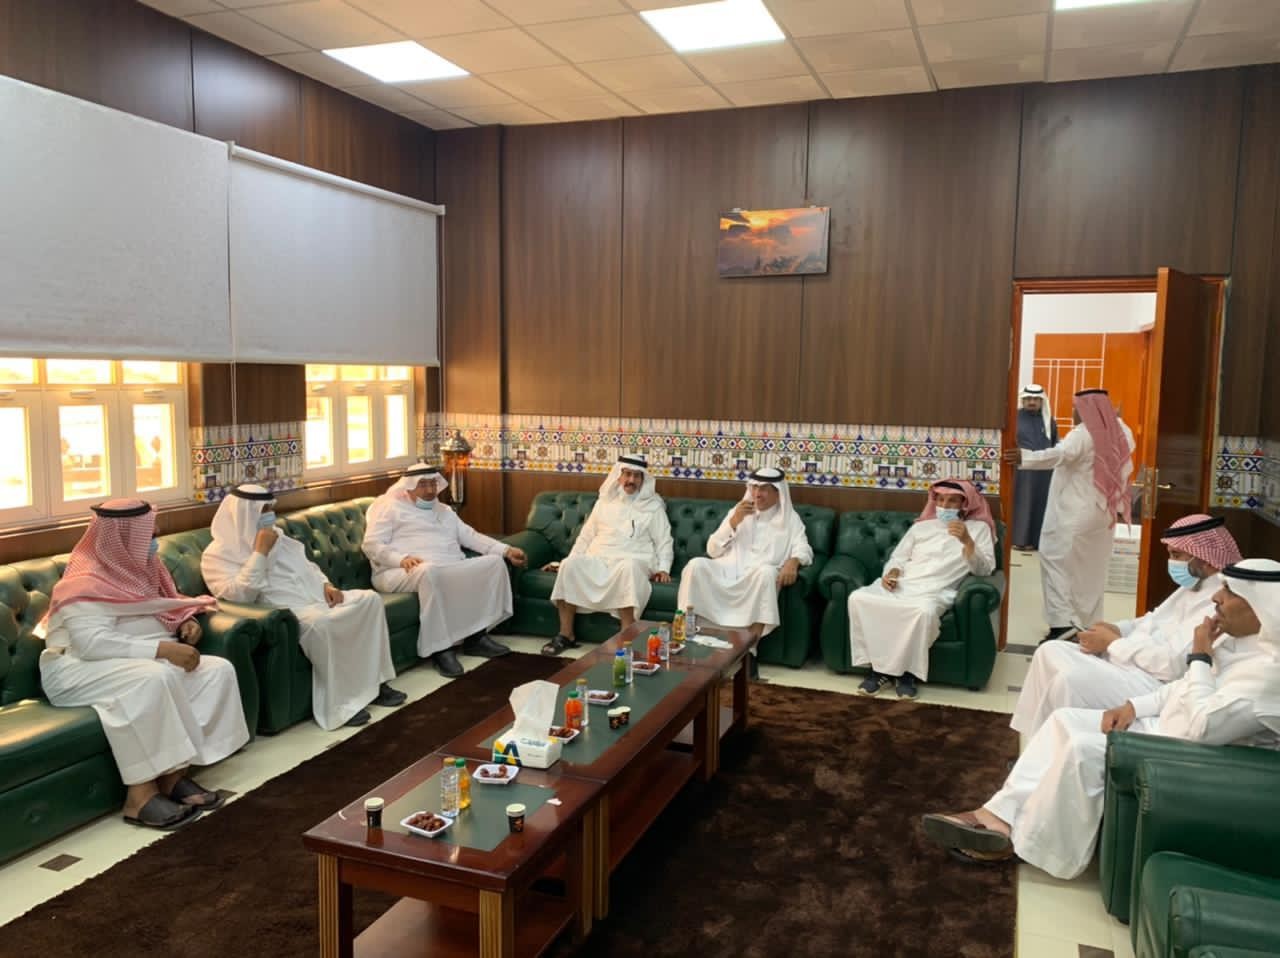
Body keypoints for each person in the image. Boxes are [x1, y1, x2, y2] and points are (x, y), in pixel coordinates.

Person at [922, 558, 1280, 878]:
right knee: (1064, 721)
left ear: (1262, 608)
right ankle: (998, 815)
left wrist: (1200, 657)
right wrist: (1134, 707)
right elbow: (1182, 686)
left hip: (1192, 753)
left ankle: (1025, 843)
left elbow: (1204, 727)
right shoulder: (1236, 641)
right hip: (1165, 725)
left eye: (1230, 593)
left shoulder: (1270, 675)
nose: (1217, 597)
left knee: (1082, 747)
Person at [38, 500, 249, 830]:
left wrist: (184, 623)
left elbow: (162, 608)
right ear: (122, 539)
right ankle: (140, 797)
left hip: (135, 660)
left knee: (215, 671)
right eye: (149, 533)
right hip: (76, 668)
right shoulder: (83, 581)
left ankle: (173, 777)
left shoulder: (146, 568)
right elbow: (92, 644)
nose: (156, 538)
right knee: (153, 678)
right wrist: (162, 649)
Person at [1011, 514, 1242, 735]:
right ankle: (1031, 734)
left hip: (1153, 681)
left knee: (1067, 681)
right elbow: (1153, 618)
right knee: (1049, 650)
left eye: (1177, 555)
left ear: (1205, 559)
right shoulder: (1194, 585)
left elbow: (1173, 666)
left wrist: (1113, 643)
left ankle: (1054, 744)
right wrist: (1118, 629)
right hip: (1131, 659)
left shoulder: (1219, 603)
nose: (1171, 562)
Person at [202, 485, 403, 730]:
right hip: (286, 610)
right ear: (243, 514)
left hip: (317, 598)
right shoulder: (217, 554)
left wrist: (326, 584)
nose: (269, 515)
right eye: (263, 510)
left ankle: (377, 684)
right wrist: (260, 552)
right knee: (323, 624)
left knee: (369, 600)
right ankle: (341, 705)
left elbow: (308, 566)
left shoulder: (278, 535)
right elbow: (239, 596)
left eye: (270, 508)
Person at [362, 463, 527, 677]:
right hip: (399, 571)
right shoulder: (388, 507)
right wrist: (400, 559)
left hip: (447, 566)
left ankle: (476, 637)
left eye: (433, 484)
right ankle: (441, 649)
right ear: (408, 486)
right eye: (423, 485)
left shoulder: (444, 510)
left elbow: (470, 536)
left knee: (494, 563)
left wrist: (505, 550)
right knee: (429, 572)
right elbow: (371, 545)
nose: (430, 490)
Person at [1004, 388, 1135, 642]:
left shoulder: (1084, 433)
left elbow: (1060, 454)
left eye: (1077, 408)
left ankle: (1062, 624)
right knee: (1092, 571)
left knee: (1056, 562)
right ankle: (1088, 623)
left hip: (1074, 514)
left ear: (1089, 409)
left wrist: (1025, 457)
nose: (1074, 413)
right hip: (1104, 514)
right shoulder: (1122, 430)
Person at [847, 479, 996, 699]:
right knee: (858, 598)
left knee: (923, 612)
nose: (944, 506)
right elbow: (898, 558)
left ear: (964, 504)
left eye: (952, 501)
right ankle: (878, 670)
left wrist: (968, 542)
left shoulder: (978, 529)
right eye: (941, 500)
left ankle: (906, 675)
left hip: (937, 590)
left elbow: (984, 570)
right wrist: (892, 573)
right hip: (904, 584)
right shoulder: (921, 527)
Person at [541, 455, 673, 656]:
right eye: (627, 474)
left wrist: (664, 568)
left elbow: (664, 540)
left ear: (643, 479)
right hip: (600, 558)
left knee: (628, 568)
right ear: (618, 476)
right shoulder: (604, 502)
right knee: (570, 565)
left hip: (634, 559)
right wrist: (567, 560)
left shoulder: (653, 507)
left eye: (636, 476)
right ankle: (566, 635)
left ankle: (626, 639)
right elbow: (586, 537)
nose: (631, 480)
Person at [677, 467, 812, 644]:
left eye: (764, 489)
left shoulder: (790, 519)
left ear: (777, 492)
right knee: (696, 565)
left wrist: (793, 562)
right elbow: (712, 550)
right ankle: (687, 634)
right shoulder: (738, 511)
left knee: (768, 573)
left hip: (756, 577)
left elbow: (803, 547)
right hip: (728, 569)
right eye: (754, 487)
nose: (757, 494)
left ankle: (749, 646)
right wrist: (733, 522)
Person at [1011, 384, 1058, 552]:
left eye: (1036, 399)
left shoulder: (1049, 420)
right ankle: (1019, 540)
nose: (1032, 402)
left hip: (1044, 473)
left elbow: (1055, 445)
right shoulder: (1014, 418)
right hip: (1021, 472)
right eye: (1028, 399)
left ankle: (1038, 542)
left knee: (1041, 505)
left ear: (1042, 401)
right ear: (1022, 400)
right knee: (1022, 503)